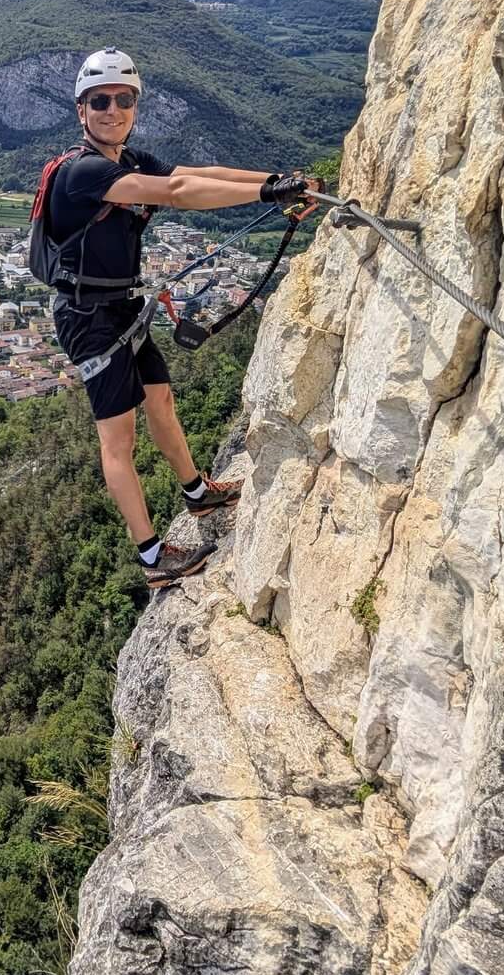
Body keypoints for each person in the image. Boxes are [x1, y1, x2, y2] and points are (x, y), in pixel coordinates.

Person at [44, 48, 319, 593]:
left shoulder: (127, 159)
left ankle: (196, 492)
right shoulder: (83, 173)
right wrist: (267, 194)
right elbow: (176, 193)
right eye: (100, 101)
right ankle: (152, 557)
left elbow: (196, 173)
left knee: (161, 400)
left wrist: (276, 179)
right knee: (117, 440)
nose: (113, 109)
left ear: (135, 106)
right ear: (81, 110)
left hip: (120, 305)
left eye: (124, 100)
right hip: (88, 319)